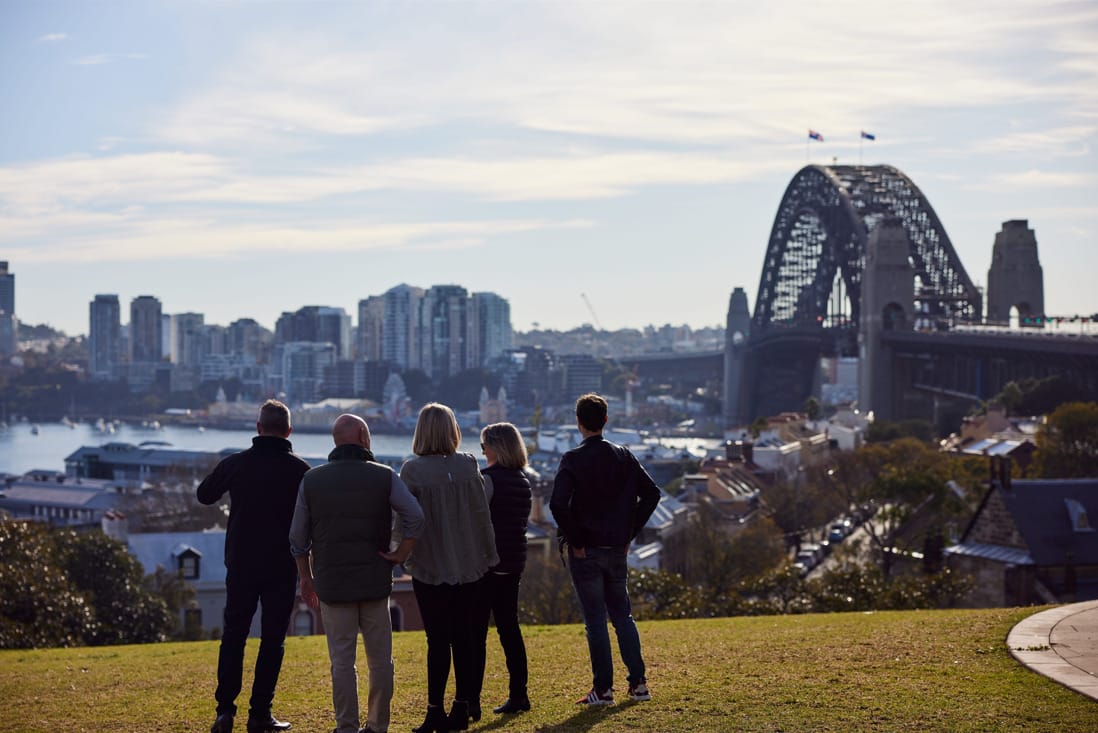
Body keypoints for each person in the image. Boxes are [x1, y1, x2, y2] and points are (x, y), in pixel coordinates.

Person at [289, 413, 425, 733]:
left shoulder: (312, 480)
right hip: (375, 581)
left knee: (342, 662)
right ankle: (377, 726)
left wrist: (306, 578)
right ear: (364, 436)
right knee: (380, 662)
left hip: (332, 584)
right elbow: (415, 517)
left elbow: (297, 539)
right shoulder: (384, 476)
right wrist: (401, 553)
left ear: (336, 440)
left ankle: (346, 726)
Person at [197, 399, 311, 733]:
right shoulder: (301, 471)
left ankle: (224, 711)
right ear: (289, 430)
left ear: (258, 428)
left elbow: (205, 495)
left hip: (241, 561)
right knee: (273, 639)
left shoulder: (236, 463)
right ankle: (260, 713)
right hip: (282, 564)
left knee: (234, 634)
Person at [549, 393, 661, 706]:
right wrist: (630, 532)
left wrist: (577, 539)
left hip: (587, 551)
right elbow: (651, 493)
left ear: (578, 422)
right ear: (606, 421)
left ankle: (603, 689)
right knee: (623, 616)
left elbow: (557, 503)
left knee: (595, 621)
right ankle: (638, 684)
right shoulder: (624, 455)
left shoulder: (572, 459)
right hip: (617, 548)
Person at [399, 403, 499, 733]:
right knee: (465, 639)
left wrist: (398, 554)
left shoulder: (412, 471)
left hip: (431, 566)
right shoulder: (470, 465)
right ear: (453, 430)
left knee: (437, 641)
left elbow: (404, 519)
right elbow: (482, 513)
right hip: (470, 563)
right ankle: (461, 706)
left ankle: (434, 711)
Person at [475, 422, 533, 715]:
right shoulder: (523, 480)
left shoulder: (487, 479)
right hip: (514, 561)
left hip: (489, 562)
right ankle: (519, 693)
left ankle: (472, 699)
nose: (481, 449)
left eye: (484, 444)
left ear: (495, 447)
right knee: (510, 629)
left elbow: (477, 521)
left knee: (476, 633)